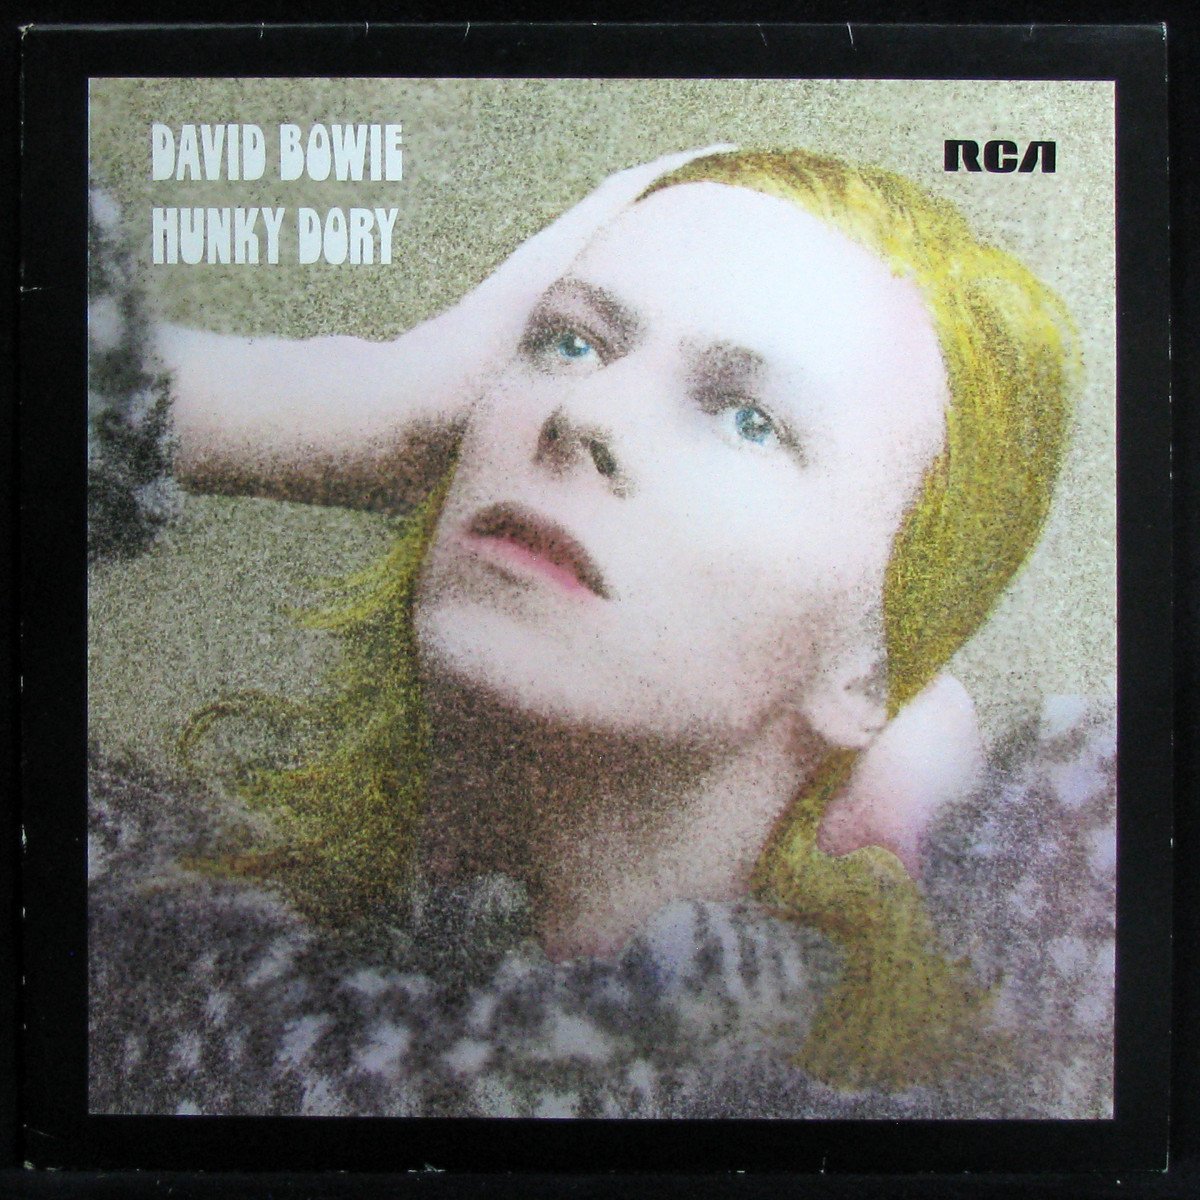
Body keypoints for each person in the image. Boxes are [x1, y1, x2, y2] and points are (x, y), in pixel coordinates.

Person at [90, 147, 1106, 1114]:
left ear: (874, 668)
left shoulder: (923, 1109)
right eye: (568, 342)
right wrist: (345, 401)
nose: (586, 415)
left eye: (748, 419)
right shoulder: (134, 938)